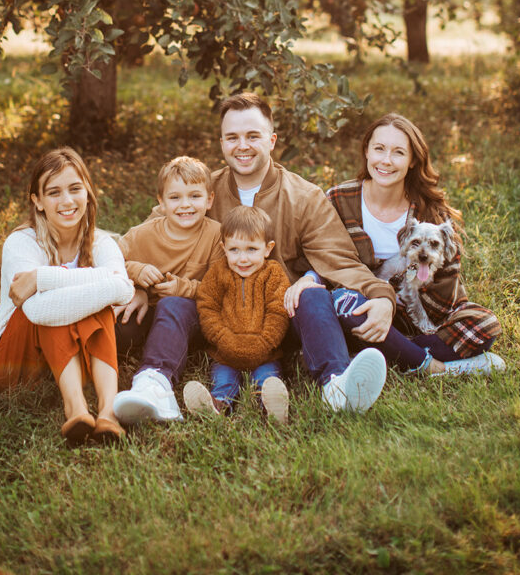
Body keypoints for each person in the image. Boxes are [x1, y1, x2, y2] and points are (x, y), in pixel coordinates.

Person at [117, 92, 394, 423]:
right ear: (221, 143)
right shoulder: (200, 191)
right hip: (213, 315)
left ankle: (337, 385)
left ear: (272, 140)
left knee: (314, 296)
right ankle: (153, 387)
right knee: (174, 304)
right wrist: (133, 282)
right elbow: (151, 236)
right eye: (232, 137)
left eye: (253, 136)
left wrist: (382, 297)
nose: (242, 146)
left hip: (276, 318)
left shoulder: (303, 197)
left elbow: (340, 260)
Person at [0, 147, 134, 446]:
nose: (67, 201)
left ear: (87, 192)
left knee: (88, 303)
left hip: (68, 358)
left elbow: (124, 289)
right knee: (63, 304)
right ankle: (74, 409)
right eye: (53, 193)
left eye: (75, 189)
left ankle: (108, 413)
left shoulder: (101, 242)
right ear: (37, 201)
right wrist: (103, 283)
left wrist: (41, 278)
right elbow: (38, 311)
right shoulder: (20, 243)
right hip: (16, 364)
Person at [326, 113, 505, 375]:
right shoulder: (339, 199)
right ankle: (433, 366)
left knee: (484, 324)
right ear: (366, 151)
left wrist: (401, 298)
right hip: (363, 306)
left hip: (417, 314)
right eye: (379, 149)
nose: (386, 161)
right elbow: (324, 255)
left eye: (398, 152)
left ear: (412, 161)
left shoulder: (431, 212)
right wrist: (380, 299)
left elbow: (447, 288)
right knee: (342, 302)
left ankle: (386, 353)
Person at [112, 156, 223, 425]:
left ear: (209, 200)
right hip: (149, 315)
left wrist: (182, 288)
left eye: (194, 196)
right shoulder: (143, 234)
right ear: (161, 202)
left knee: (173, 303)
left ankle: (155, 382)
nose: (185, 205)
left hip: (193, 318)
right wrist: (137, 274)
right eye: (175, 198)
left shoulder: (216, 235)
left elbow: (222, 288)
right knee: (120, 323)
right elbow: (107, 261)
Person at [183, 205, 291, 423]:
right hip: (225, 353)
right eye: (234, 250)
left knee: (267, 379)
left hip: (265, 354)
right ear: (224, 248)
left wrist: (264, 343)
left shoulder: (273, 274)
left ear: (268, 249)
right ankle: (217, 406)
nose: (242, 259)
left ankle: (273, 407)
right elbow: (207, 307)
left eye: (252, 249)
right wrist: (223, 339)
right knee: (224, 381)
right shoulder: (218, 273)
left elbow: (278, 313)